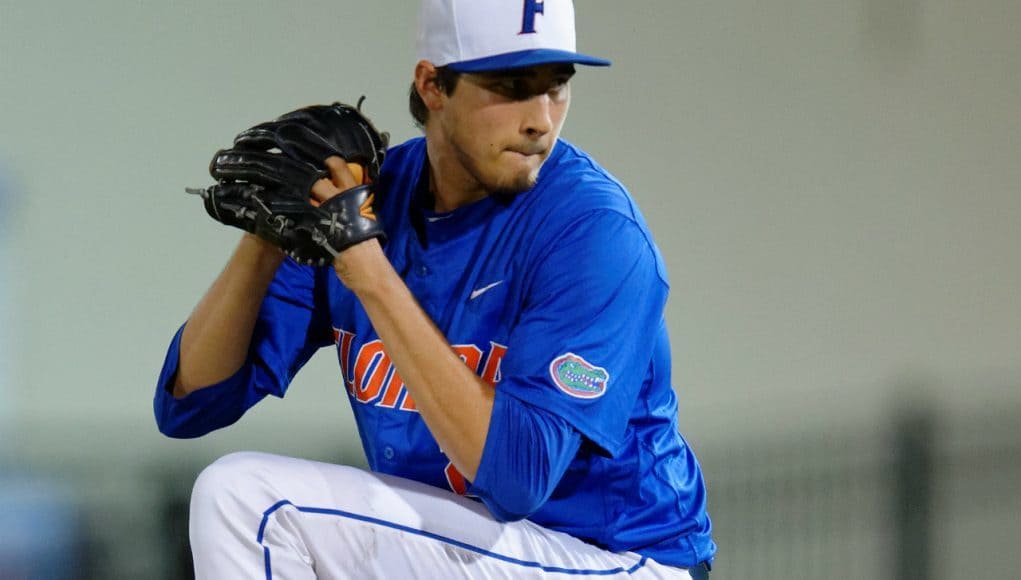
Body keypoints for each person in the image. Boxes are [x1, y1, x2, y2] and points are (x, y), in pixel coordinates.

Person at [154, 0, 716, 577]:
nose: (541, 118)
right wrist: (266, 239)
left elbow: (515, 479)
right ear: (432, 85)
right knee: (232, 493)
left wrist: (368, 271)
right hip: (460, 548)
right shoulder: (372, 203)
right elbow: (192, 403)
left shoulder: (591, 233)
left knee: (252, 501)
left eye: (557, 85)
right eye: (512, 86)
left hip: (616, 558)